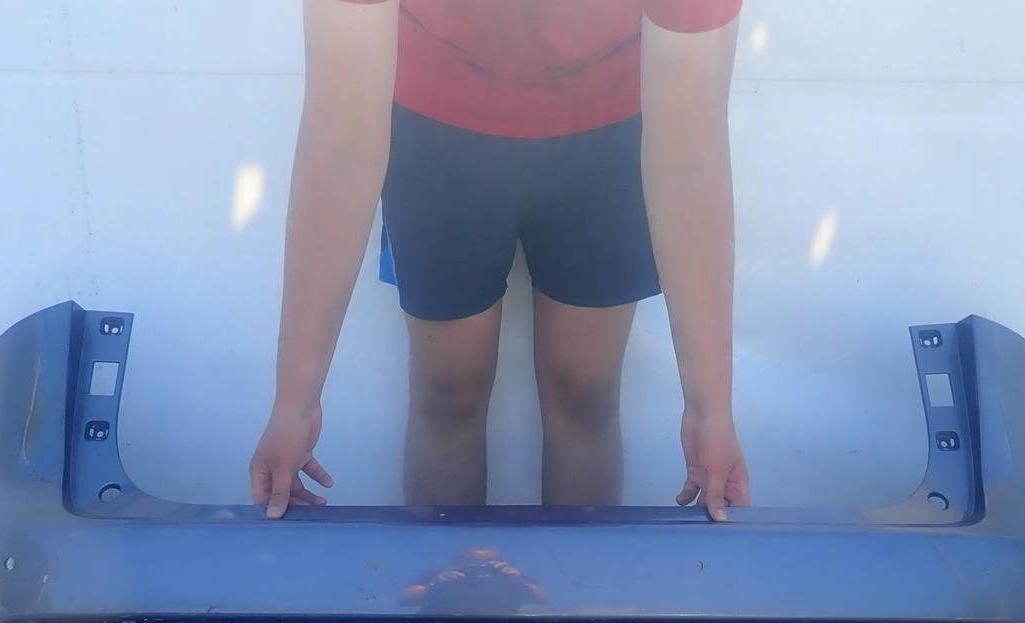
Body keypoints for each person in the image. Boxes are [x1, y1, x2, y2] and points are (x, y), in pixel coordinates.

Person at [250, 0, 751, 521]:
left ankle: (579, 573)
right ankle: (446, 574)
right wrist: (295, 401)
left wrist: (710, 409)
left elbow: (689, 160)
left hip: (609, 130)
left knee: (584, 392)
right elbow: (341, 140)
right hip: (438, 127)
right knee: (450, 390)